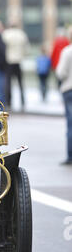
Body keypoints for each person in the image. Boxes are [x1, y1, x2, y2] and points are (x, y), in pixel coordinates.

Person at [2, 24, 29, 109]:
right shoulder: (21, 34)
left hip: (9, 60)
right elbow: (26, 48)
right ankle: (23, 100)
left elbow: (3, 48)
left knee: (8, 83)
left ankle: (9, 101)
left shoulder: (6, 34)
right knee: (20, 83)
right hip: (18, 60)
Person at [56, 28, 72, 165]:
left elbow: (61, 73)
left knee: (70, 124)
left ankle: (70, 156)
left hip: (69, 89)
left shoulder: (67, 51)